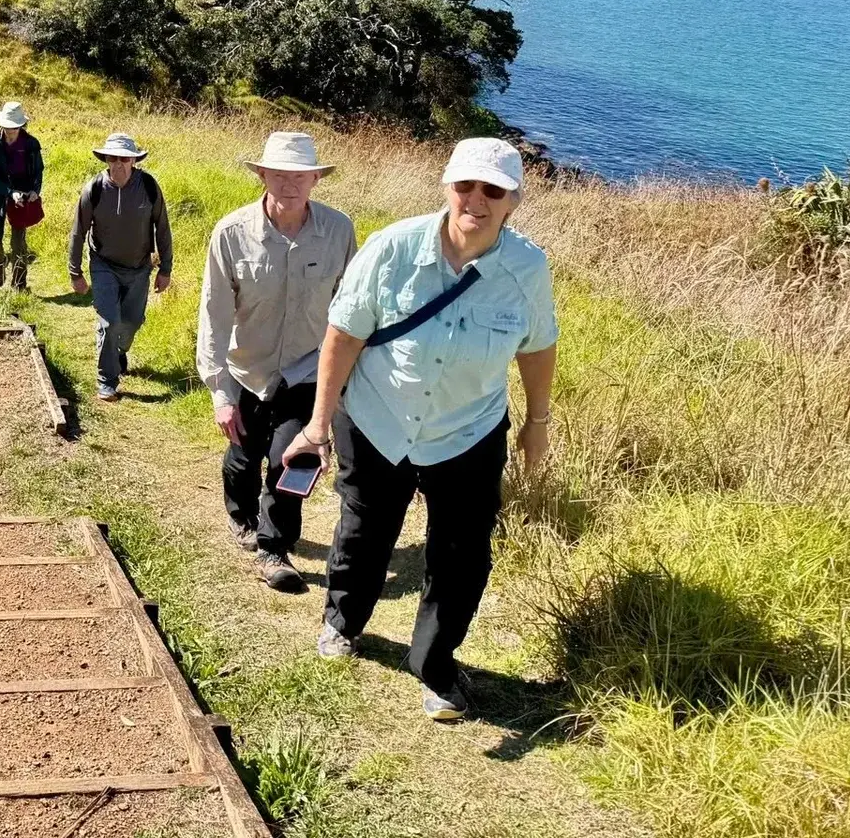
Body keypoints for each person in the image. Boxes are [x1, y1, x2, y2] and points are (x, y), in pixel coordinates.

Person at [281, 137, 559, 723]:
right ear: (447, 187)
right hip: (378, 416)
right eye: (465, 186)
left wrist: (538, 422)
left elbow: (537, 348)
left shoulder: (527, 269)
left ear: (513, 201)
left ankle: (435, 666)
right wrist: (318, 423)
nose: (476, 201)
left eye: (493, 191)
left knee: (462, 554)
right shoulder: (392, 248)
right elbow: (344, 334)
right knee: (365, 529)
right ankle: (342, 621)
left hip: (469, 430)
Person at [198, 132, 357, 595]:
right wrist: (220, 392)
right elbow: (214, 314)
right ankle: (241, 514)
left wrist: (347, 378)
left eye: (300, 175)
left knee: (292, 459)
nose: (290, 184)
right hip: (248, 367)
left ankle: (274, 547)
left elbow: (351, 307)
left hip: (310, 368)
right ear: (263, 175)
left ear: (315, 179)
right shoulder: (231, 233)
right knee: (243, 459)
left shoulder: (338, 231)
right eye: (280, 174)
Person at [68, 133, 173, 401]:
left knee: (132, 322)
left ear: (134, 161)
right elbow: (78, 232)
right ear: (106, 159)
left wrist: (165, 269)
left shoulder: (148, 187)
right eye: (113, 158)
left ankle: (120, 351)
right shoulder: (94, 189)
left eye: (124, 159)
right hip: (104, 265)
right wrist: (75, 272)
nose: (118, 164)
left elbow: (162, 227)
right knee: (109, 322)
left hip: (139, 268)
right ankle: (107, 382)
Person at [0, 101, 43, 290]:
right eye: (7, 126)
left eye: (14, 127)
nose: (10, 130)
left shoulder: (31, 144)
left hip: (21, 200)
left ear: (21, 125)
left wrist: (34, 192)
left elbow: (38, 172)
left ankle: (20, 283)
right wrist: (8, 192)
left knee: (18, 244)